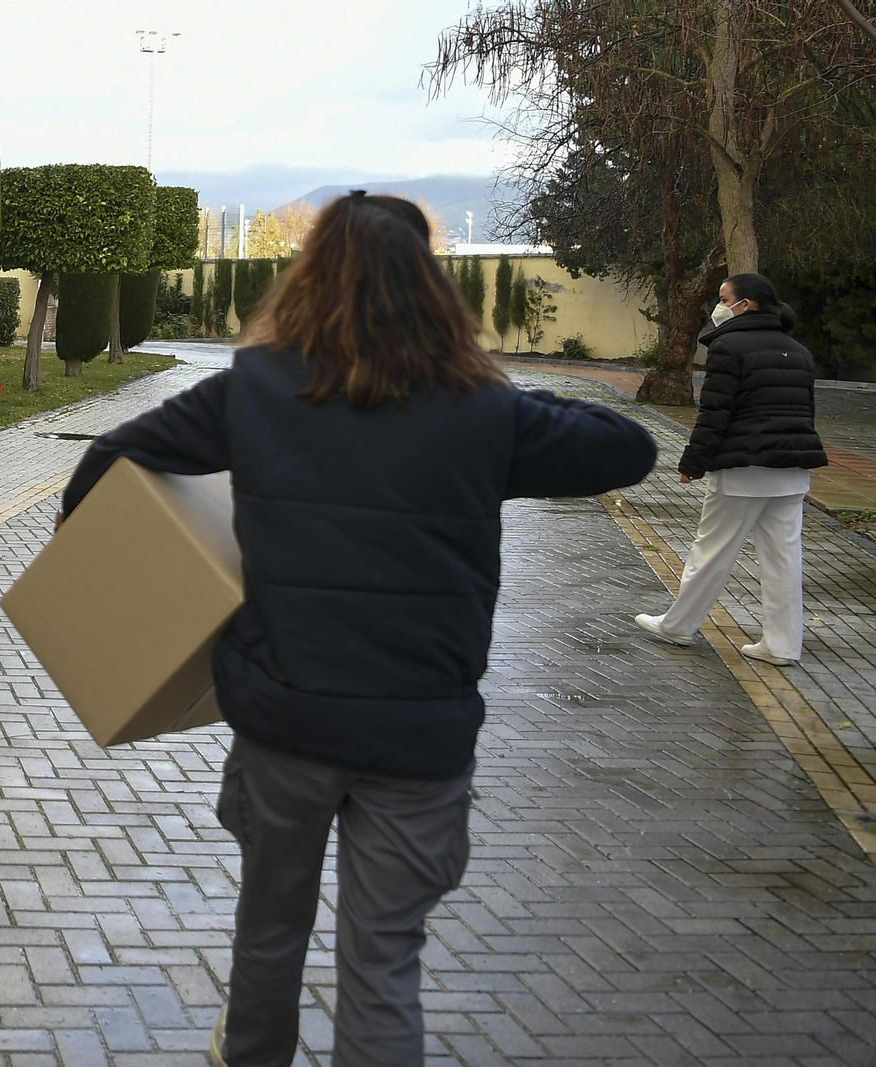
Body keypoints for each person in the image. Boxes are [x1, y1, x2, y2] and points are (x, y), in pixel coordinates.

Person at [58, 192, 658, 1067]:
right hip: (419, 737)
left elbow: (108, 457)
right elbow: (627, 447)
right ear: (433, 290)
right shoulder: (482, 411)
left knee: (268, 933)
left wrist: (92, 550)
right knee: (382, 964)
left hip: (283, 724)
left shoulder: (257, 388)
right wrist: (489, 390)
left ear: (310, 278)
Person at [636, 273, 827, 666]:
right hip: (793, 470)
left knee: (712, 552)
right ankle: (782, 644)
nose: (718, 306)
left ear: (747, 304)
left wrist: (693, 462)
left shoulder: (728, 347)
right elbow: (804, 414)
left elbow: (716, 414)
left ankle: (678, 626)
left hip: (744, 469)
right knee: (783, 559)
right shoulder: (799, 351)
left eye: (724, 298)